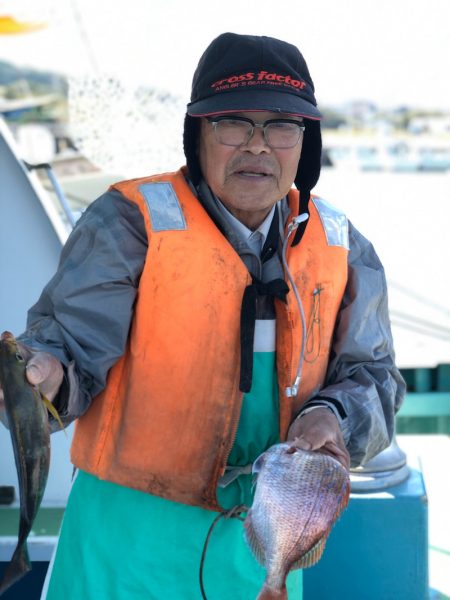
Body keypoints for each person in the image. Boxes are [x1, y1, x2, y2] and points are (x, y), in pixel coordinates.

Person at [0, 32, 405, 600]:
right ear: (199, 134)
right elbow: (69, 342)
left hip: (264, 548)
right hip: (124, 550)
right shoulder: (129, 223)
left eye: (282, 126)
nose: (258, 146)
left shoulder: (343, 246)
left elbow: (377, 379)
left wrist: (333, 417)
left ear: (304, 143)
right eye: (233, 123)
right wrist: (44, 377)